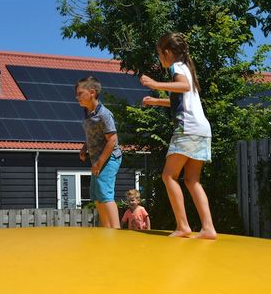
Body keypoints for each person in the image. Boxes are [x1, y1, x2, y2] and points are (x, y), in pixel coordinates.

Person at [140, 32, 216, 239]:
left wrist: (155, 84)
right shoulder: (188, 69)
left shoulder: (177, 68)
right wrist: (157, 101)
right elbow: (182, 99)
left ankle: (183, 226)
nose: (160, 59)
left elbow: (184, 86)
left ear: (166, 52)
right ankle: (208, 228)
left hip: (188, 129)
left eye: (159, 55)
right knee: (192, 180)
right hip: (201, 129)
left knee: (168, 176)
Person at [75, 76, 122, 228]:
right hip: (97, 160)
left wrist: (100, 163)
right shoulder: (88, 113)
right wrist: (84, 148)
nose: (77, 97)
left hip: (109, 159)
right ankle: (106, 228)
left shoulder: (104, 114)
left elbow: (112, 139)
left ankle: (116, 229)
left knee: (105, 194)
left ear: (92, 92)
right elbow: (94, 135)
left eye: (80, 93)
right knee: (96, 195)